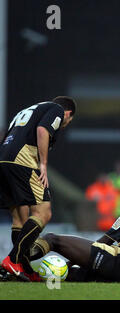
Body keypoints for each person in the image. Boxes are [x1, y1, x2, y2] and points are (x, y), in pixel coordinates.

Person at [0, 96, 76, 281]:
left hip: (4, 159)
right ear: (68, 113)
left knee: (20, 218)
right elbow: (43, 130)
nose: (65, 124)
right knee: (43, 212)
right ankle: (13, 260)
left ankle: (23, 269)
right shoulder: (56, 109)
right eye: (69, 121)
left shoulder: (27, 111)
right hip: (23, 160)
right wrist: (43, 164)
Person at [30, 192, 120, 283]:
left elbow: (107, 240)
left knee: (52, 239)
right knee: (71, 274)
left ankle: (18, 262)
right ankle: (31, 277)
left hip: (119, 261)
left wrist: (74, 259)